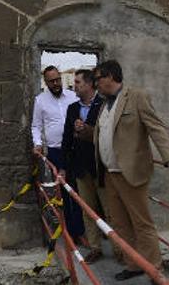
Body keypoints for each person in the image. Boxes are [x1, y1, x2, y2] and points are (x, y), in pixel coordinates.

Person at [76, 60, 169, 281]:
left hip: (130, 172)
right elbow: (104, 135)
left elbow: (156, 127)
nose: (95, 83)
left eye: (98, 78)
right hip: (109, 174)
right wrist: (86, 132)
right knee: (120, 224)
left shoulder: (136, 97)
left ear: (111, 77)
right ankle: (134, 264)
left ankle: (154, 269)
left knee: (141, 222)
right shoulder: (105, 104)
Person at [31, 66, 84, 240]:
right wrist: (38, 144)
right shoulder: (40, 100)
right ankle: (71, 233)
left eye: (57, 80)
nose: (55, 84)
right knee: (64, 193)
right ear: (45, 82)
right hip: (56, 152)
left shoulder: (72, 96)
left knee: (79, 190)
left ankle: (83, 231)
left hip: (76, 149)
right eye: (51, 81)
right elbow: (36, 126)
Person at [61, 69, 105, 263]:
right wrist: (64, 166)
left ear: (88, 85)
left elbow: (106, 136)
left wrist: (87, 131)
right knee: (87, 210)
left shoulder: (103, 105)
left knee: (110, 209)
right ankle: (96, 248)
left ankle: (121, 250)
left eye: (78, 82)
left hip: (101, 167)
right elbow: (66, 139)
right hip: (80, 168)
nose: (75, 85)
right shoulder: (72, 108)